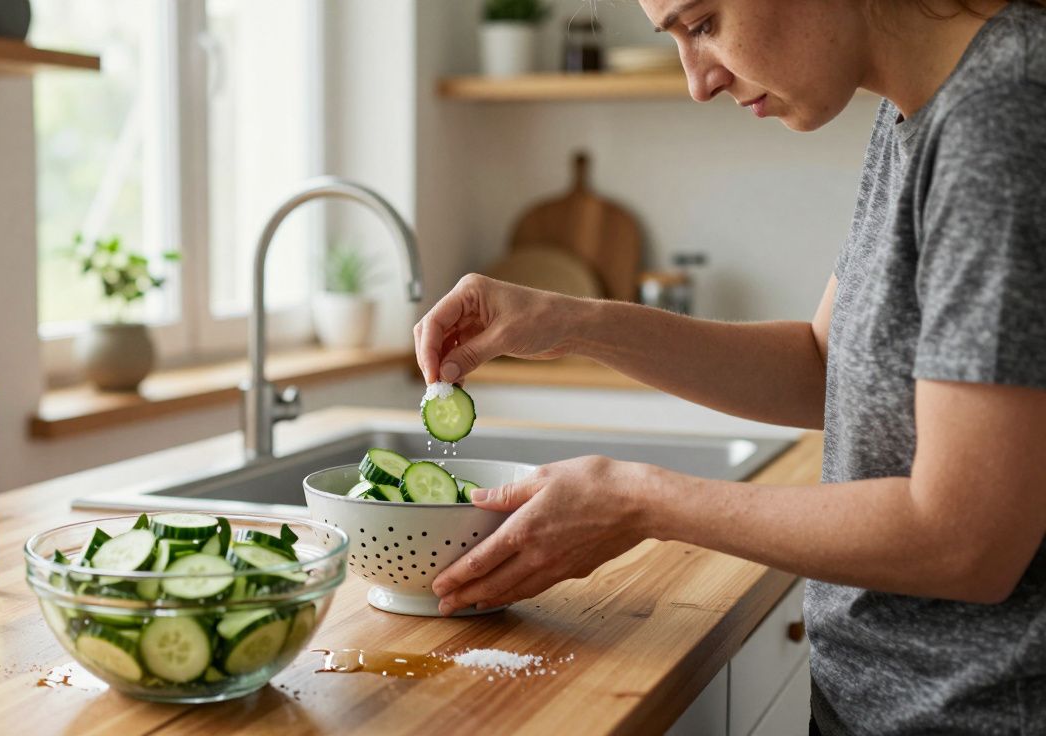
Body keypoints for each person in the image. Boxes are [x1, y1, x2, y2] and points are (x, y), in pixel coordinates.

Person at [414, 1, 1046, 733]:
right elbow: (823, 367)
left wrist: (642, 501)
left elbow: (965, 540)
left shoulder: (1004, 120)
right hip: (882, 705)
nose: (698, 81)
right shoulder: (917, 109)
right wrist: (572, 322)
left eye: (704, 22)